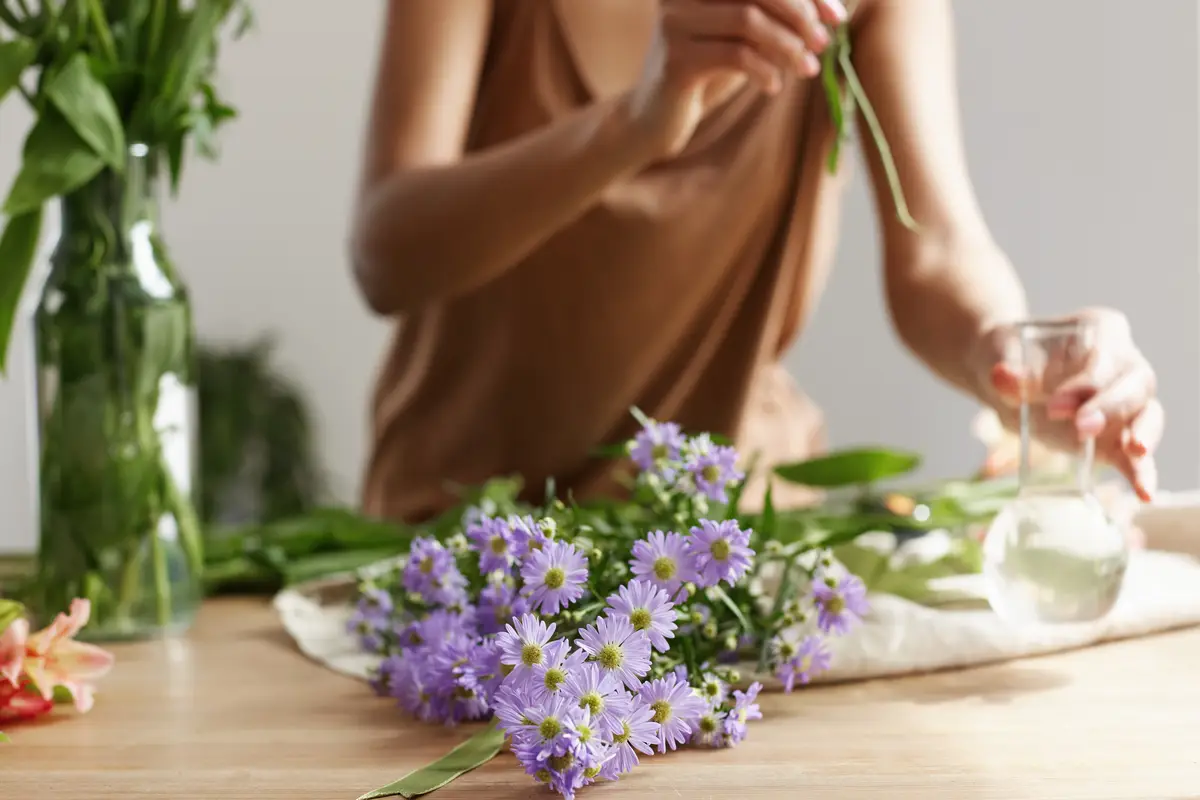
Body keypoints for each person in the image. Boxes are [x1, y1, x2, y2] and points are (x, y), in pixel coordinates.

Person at [350, 0, 1162, 522]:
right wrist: (637, 123)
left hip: (732, 546)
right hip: (460, 543)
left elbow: (939, 249)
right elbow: (386, 254)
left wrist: (1019, 357)